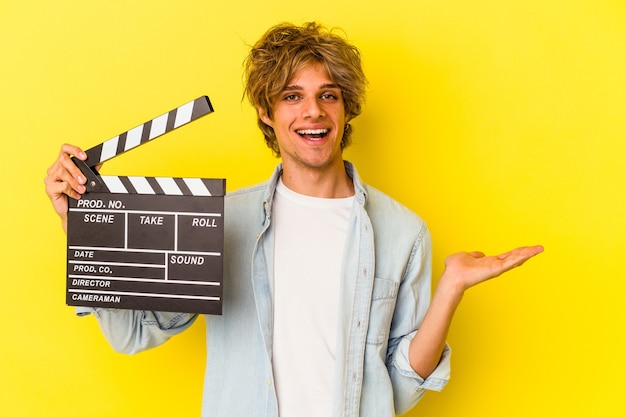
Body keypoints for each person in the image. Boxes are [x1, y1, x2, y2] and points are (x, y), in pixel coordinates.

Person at [44, 22, 543, 417]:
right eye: (291, 96)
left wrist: (451, 286)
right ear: (266, 111)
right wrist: (85, 227)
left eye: (328, 94)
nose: (313, 111)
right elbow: (136, 332)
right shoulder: (221, 220)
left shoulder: (402, 231)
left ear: (346, 109)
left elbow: (401, 389)